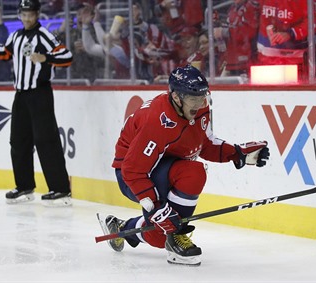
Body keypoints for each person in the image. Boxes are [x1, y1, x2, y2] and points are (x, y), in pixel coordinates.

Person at [98, 65, 270, 266]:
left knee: (164, 229)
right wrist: (156, 207)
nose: (198, 104)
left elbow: (202, 144)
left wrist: (237, 154)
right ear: (176, 97)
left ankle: (125, 228)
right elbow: (132, 170)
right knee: (169, 217)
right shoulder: (156, 120)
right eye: (192, 98)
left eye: (202, 97)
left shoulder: (199, 107)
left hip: (163, 166)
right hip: (134, 176)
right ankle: (173, 236)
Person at [0, 0, 73, 206]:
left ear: (37, 14)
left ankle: (61, 189)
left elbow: (66, 56)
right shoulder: (17, 36)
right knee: (18, 141)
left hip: (40, 93)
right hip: (20, 95)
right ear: (20, 15)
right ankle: (24, 186)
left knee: (46, 140)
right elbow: (5, 52)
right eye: (24, 14)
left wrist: (44, 58)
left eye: (30, 14)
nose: (27, 18)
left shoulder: (44, 35)